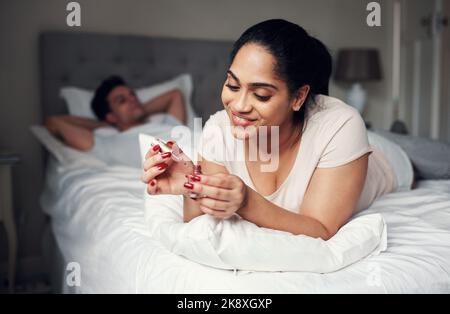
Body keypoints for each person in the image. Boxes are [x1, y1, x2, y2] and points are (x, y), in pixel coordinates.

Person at [141, 19, 412, 240]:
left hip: (388, 160)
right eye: (233, 86)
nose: (238, 105)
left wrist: (246, 202)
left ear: (298, 97)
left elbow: (321, 229)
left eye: (260, 95)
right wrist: (194, 184)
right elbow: (200, 223)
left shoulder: (342, 125)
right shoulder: (218, 130)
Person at [45, 75, 187, 151]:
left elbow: (175, 95)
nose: (132, 99)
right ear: (110, 116)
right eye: (122, 100)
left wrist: (139, 110)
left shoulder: (167, 126)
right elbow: (54, 122)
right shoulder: (111, 142)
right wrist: (105, 125)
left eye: (132, 95)